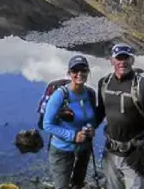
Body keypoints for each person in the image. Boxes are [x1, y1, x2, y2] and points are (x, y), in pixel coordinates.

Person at [94, 43, 144, 189]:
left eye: (126, 58)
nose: (122, 62)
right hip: (110, 153)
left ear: (132, 60)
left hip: (135, 156)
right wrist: (86, 127)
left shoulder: (143, 86)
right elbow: (100, 112)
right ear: (112, 60)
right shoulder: (104, 83)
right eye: (118, 58)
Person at [42, 55, 101, 189]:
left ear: (88, 72)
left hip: (84, 149)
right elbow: (47, 124)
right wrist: (73, 136)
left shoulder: (90, 94)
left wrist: (92, 129)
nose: (79, 74)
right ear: (69, 73)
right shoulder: (60, 95)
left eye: (83, 70)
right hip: (62, 149)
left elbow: (91, 119)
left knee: (77, 185)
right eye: (75, 71)